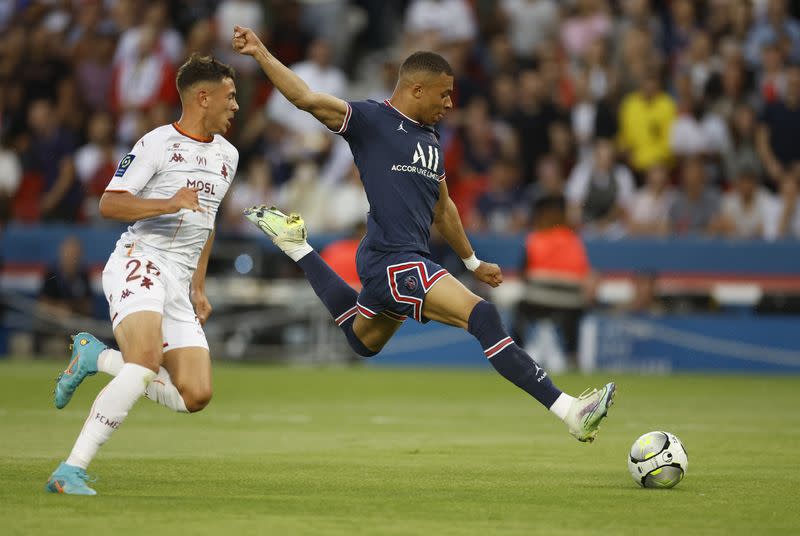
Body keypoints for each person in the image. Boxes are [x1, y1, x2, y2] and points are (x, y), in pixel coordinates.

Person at [232, 26, 615, 445]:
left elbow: (444, 208)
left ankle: (297, 246)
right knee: (482, 315)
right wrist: (260, 52)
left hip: (396, 261)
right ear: (416, 89)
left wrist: (472, 262)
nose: (451, 104)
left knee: (363, 343)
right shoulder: (371, 120)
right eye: (444, 94)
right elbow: (306, 98)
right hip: (392, 259)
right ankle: (569, 410)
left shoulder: (430, 138)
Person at [45, 54, 240, 495]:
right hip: (141, 258)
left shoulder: (229, 155)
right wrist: (167, 202)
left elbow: (205, 220)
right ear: (202, 97)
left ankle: (97, 358)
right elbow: (110, 203)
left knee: (197, 395)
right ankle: (70, 469)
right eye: (230, 97)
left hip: (179, 277)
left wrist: (198, 284)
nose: (236, 106)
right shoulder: (156, 144)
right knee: (145, 364)